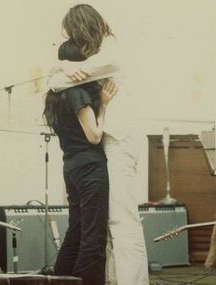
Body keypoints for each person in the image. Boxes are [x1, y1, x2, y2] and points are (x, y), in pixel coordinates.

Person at [48, 4, 149, 285]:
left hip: (119, 141)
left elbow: (55, 82)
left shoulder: (110, 53)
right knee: (108, 223)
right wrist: (65, 65)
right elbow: (59, 78)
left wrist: (63, 65)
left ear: (82, 28)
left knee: (120, 220)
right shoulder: (101, 53)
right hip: (109, 143)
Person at [44, 29, 117, 285]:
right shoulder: (78, 93)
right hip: (90, 166)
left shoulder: (55, 95)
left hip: (71, 167)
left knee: (75, 232)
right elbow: (94, 136)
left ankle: (61, 281)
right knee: (92, 237)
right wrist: (104, 104)